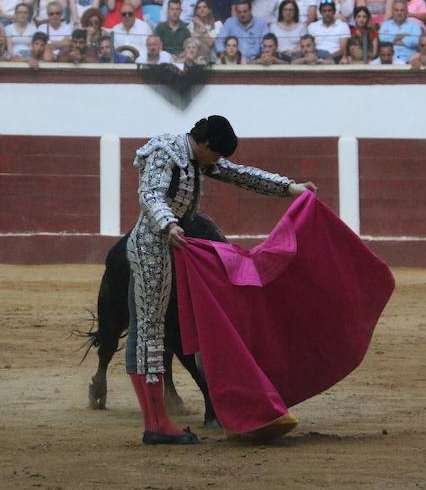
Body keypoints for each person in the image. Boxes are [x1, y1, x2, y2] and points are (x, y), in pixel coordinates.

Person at [124, 116, 315, 445]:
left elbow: (238, 174)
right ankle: (156, 424)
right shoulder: (165, 151)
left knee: (151, 332)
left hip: (173, 244)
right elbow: (150, 195)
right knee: (150, 333)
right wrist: (169, 224)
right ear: (207, 144)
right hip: (151, 245)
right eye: (217, 154)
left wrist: (289, 188)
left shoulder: (197, 156)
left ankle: (158, 421)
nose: (218, 162)